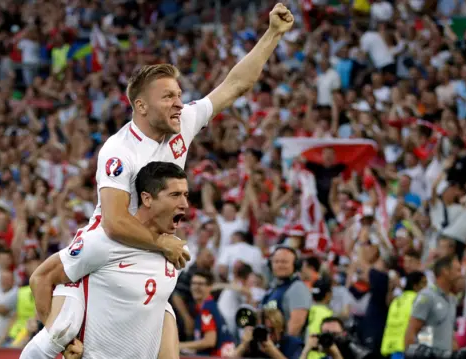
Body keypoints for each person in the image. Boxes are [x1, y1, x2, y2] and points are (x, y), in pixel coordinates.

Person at [34, 3, 295, 357]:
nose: (179, 103)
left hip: (154, 246)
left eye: (179, 94)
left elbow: (235, 85)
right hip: (113, 247)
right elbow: (114, 221)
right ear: (141, 107)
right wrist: (162, 244)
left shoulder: (182, 123)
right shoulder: (118, 151)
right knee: (59, 334)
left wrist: (273, 34)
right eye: (168, 96)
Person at [22, 162, 189, 359]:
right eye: (175, 195)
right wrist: (63, 343)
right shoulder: (103, 242)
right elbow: (41, 278)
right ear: (147, 198)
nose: (184, 204)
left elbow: (159, 307)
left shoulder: (177, 253)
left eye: (186, 195)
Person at [405, 256, 461, 351]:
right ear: (445, 271)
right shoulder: (427, 296)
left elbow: (449, 334)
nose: (460, 275)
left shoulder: (452, 300)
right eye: (457, 270)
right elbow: (412, 331)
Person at [180, 271, 235, 356]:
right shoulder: (210, 305)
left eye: (200, 284)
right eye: (193, 283)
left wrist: (179, 345)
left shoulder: (207, 309)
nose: (196, 287)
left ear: (210, 287)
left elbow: (209, 341)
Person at [261, 245, 312, 338]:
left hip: (286, 349)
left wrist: (280, 348)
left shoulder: (298, 288)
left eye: (284, 262)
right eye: (276, 261)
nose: (280, 265)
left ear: (295, 265)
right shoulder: (275, 287)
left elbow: (296, 325)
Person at [381, 271, 427, 359]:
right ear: (415, 286)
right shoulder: (419, 300)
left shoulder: (396, 300)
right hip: (409, 349)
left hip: (393, 348)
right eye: (424, 283)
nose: (426, 287)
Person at [231, 307, 303, 359]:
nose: (266, 334)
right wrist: (243, 346)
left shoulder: (293, 345)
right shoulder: (251, 344)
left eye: (270, 330)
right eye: (260, 330)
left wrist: (273, 352)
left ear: (280, 328)